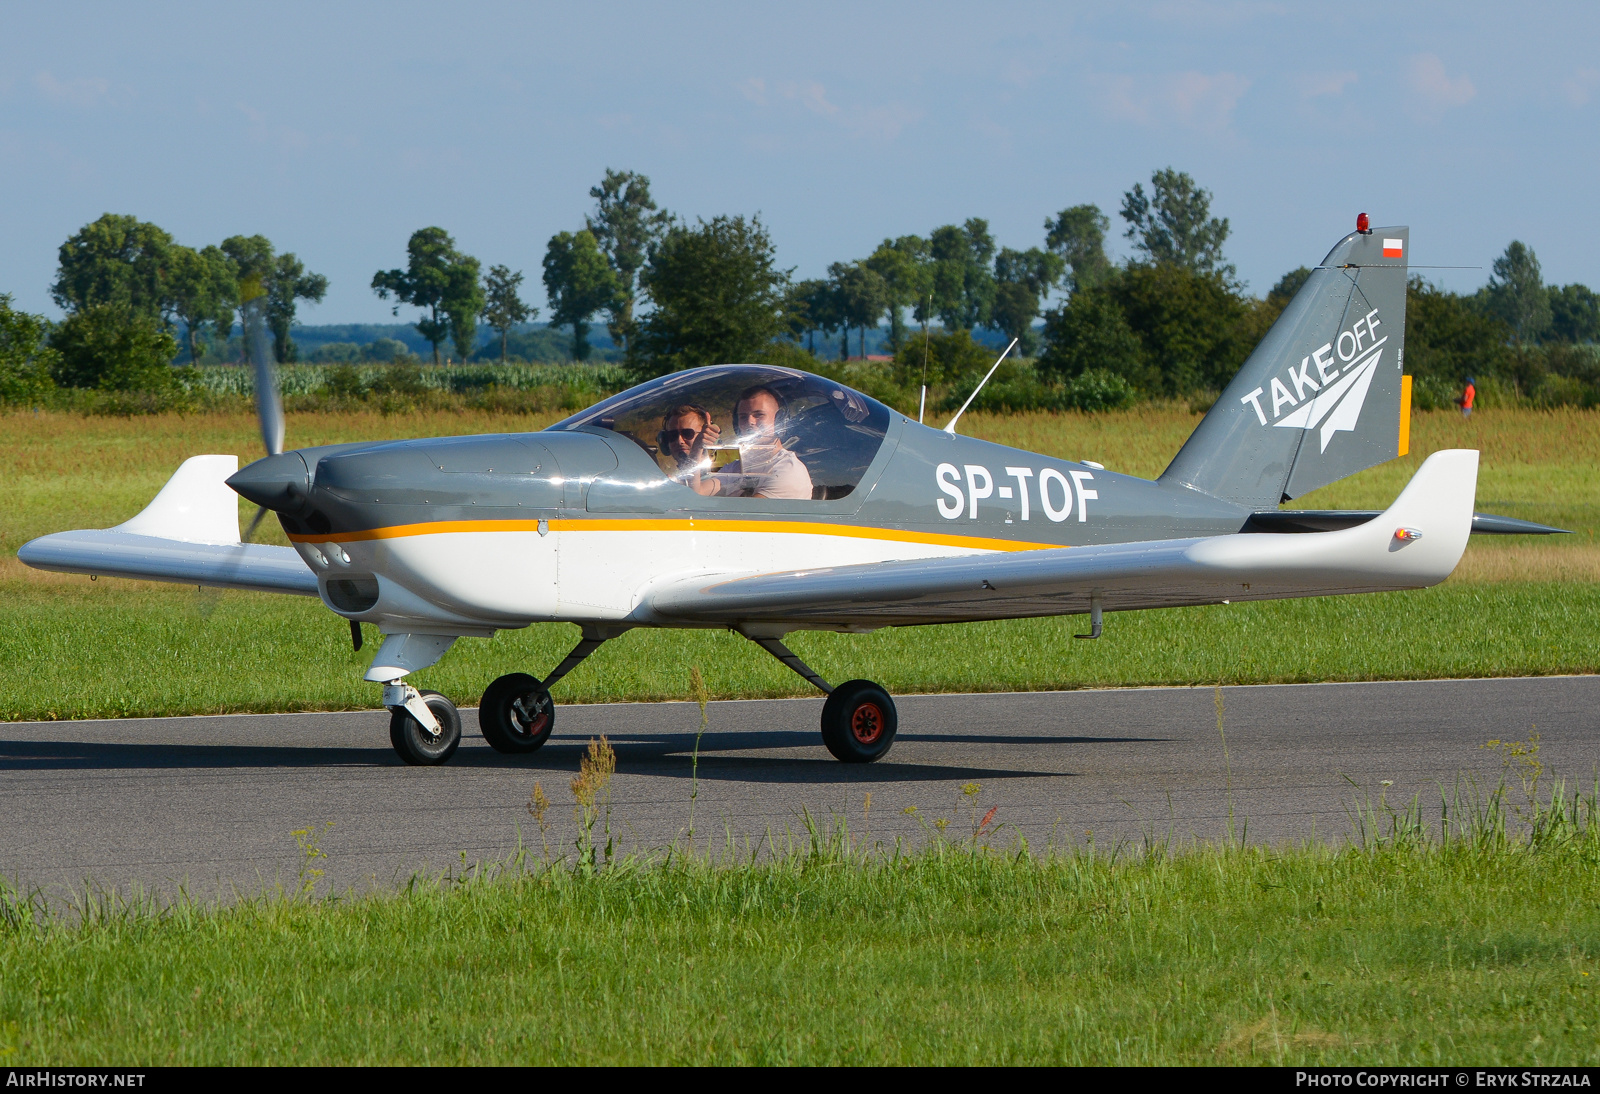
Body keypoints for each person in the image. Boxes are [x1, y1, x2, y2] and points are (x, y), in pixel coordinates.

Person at [702, 386, 813, 500]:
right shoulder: (736, 464)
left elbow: (745, 515)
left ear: (779, 419)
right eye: (743, 417)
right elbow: (697, 493)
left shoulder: (788, 470)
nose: (750, 422)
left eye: (759, 415)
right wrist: (697, 448)